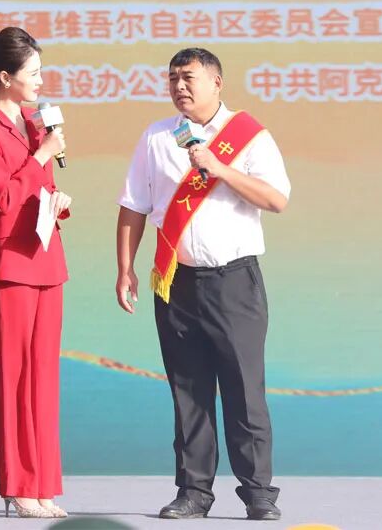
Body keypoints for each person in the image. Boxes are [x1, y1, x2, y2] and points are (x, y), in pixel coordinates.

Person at [115, 47, 291, 521]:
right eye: (173, 78)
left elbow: (277, 199)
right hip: (176, 282)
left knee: (243, 391)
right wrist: (125, 267)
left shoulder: (249, 136)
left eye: (188, 77)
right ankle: (193, 492)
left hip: (234, 282)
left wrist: (221, 168)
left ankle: (258, 493)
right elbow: (133, 205)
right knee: (188, 392)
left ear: (217, 82)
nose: (179, 86)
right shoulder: (156, 137)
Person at [0, 27, 71, 519]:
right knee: (15, 374)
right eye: (33, 73)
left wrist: (59, 200)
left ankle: (44, 486)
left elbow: (36, 190)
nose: (40, 81)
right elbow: (4, 198)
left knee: (44, 376)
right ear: (6, 77)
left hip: (47, 257)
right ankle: (18, 485)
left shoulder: (35, 125)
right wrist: (41, 155)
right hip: (10, 262)